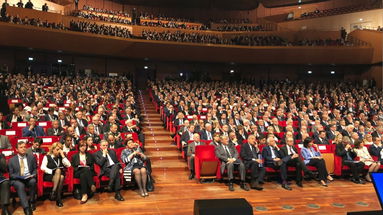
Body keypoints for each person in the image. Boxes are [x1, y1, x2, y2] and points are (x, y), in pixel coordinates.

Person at [8, 141, 37, 215]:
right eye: (21, 147)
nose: (23, 149)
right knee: (20, 185)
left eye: (24, 147)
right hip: (17, 179)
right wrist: (21, 177)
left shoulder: (31, 157)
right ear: (16, 149)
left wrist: (33, 174)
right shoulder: (11, 160)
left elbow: (35, 169)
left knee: (33, 181)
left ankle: (32, 201)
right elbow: (11, 175)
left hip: (29, 177)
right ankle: (26, 208)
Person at [40, 142, 71, 207]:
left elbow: (69, 165)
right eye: (57, 149)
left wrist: (63, 156)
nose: (58, 151)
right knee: (58, 170)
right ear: (53, 149)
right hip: (50, 175)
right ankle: (58, 198)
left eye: (60, 150)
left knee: (61, 176)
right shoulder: (47, 157)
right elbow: (42, 167)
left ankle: (54, 193)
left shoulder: (61, 157)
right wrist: (51, 171)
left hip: (59, 176)